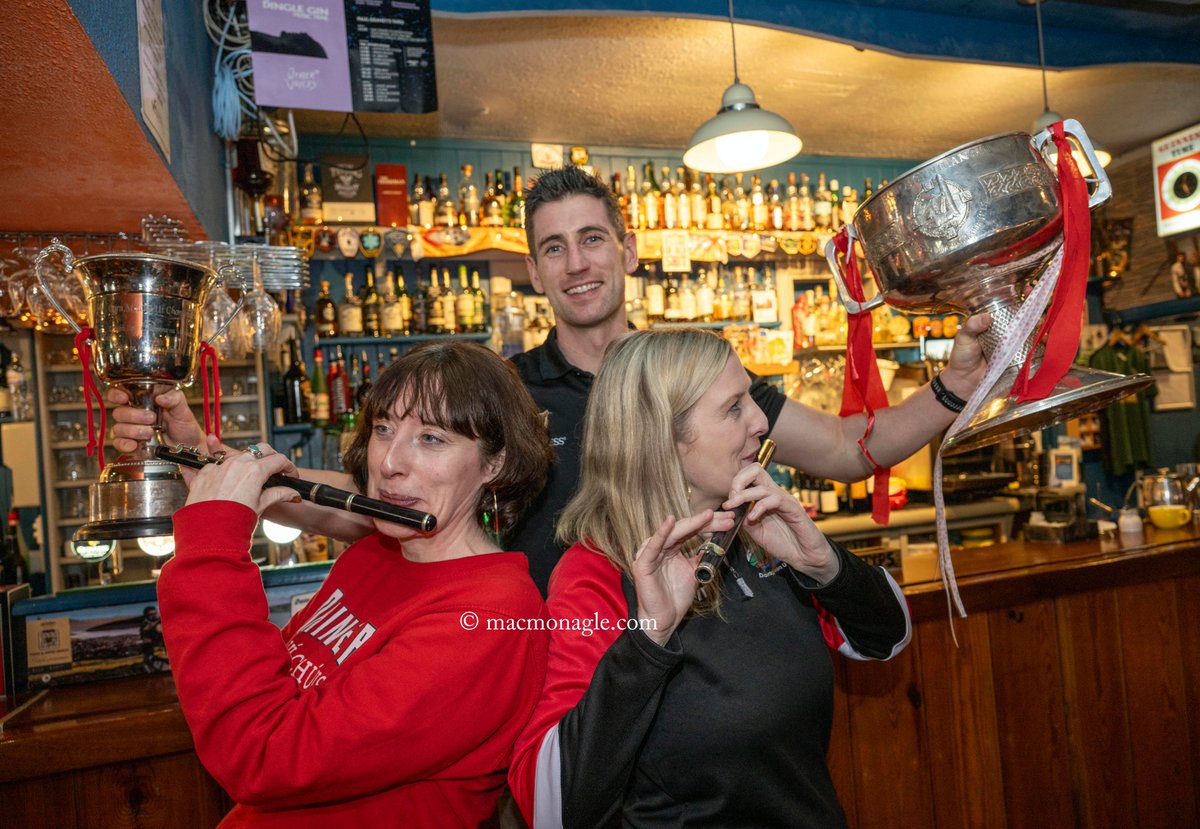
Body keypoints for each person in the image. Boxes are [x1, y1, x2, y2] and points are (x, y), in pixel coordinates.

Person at [110, 167, 988, 594]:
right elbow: (379, 504)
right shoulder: (502, 392)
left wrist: (951, 387)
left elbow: (847, 450)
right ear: (533, 272)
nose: (577, 263)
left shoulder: (698, 376)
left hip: (696, 656)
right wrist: (211, 463)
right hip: (546, 673)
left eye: (593, 239)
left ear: (629, 251)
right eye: (554, 248)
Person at [508, 328, 911, 827]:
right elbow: (550, 808)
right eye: (734, 408)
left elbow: (887, 637)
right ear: (663, 439)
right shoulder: (596, 573)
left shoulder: (754, 530)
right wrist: (648, 642)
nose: (761, 422)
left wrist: (823, 564)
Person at [156, 341, 554, 827]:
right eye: (384, 428)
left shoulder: (488, 619)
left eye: (431, 438)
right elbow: (276, 685)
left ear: (494, 464)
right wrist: (204, 459)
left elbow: (265, 753)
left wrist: (211, 546)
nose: (388, 462)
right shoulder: (376, 554)